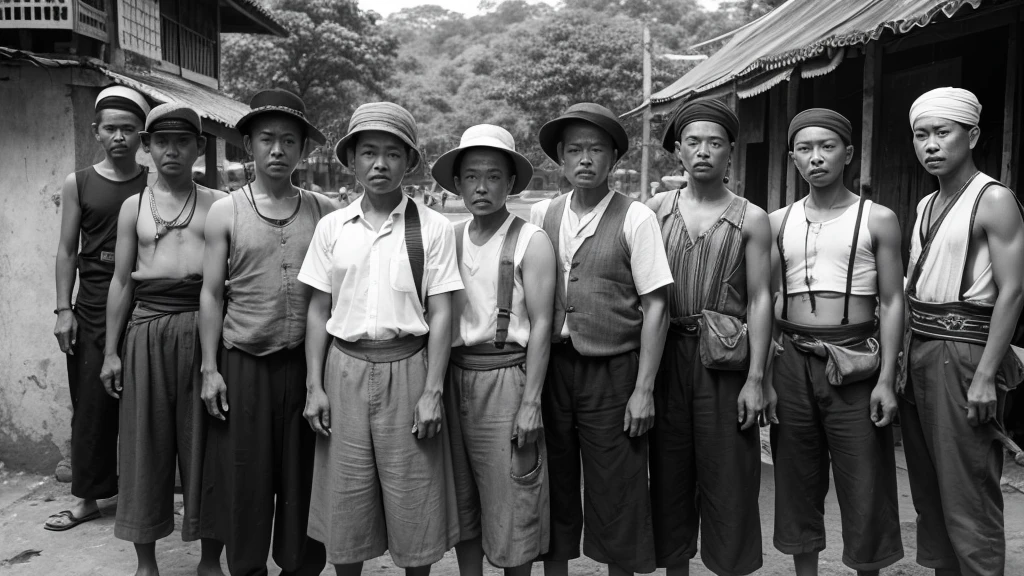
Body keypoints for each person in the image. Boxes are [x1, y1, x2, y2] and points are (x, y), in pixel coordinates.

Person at [299, 102, 463, 575]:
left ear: (409, 163)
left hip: (409, 368)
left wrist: (433, 391)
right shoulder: (333, 227)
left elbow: (442, 311)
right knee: (345, 501)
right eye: (368, 152)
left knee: (416, 498)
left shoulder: (432, 228)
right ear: (351, 161)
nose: (379, 164)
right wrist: (315, 386)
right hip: (344, 367)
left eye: (393, 154)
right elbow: (318, 309)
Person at [529, 103, 673, 576]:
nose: (585, 159)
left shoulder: (636, 218)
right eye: (574, 150)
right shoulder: (541, 214)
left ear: (614, 158)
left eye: (596, 150)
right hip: (554, 367)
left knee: (619, 488)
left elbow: (656, 306)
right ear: (560, 159)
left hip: (613, 370)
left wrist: (643, 390)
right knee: (553, 483)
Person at [198, 88, 334, 576]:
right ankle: (248, 567)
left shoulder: (323, 209)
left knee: (302, 479)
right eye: (267, 140)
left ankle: (301, 568)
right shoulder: (226, 211)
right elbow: (212, 294)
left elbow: (331, 294)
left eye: (289, 141)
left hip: (304, 364)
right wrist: (210, 368)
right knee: (246, 480)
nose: (277, 150)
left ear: (303, 150)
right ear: (248, 146)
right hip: (243, 364)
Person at [768, 108, 905, 576]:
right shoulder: (777, 221)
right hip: (791, 357)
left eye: (827, 147)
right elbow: (768, 297)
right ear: (792, 158)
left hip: (855, 358)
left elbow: (891, 302)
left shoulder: (878, 218)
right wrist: (764, 375)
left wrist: (887, 377)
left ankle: (868, 568)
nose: (816, 158)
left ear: (848, 153)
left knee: (864, 478)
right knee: (795, 476)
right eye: (805, 149)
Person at [645, 98, 772, 576]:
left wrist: (756, 379)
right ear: (678, 151)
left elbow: (762, 300)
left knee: (730, 479)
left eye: (714, 143)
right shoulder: (655, 210)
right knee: (670, 474)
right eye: (693, 142)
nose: (703, 151)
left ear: (730, 152)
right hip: (666, 356)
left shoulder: (751, 217)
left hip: (724, 360)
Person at [96, 103, 224, 575]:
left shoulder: (217, 203)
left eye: (183, 141)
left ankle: (210, 558)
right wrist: (111, 351)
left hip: (201, 327)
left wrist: (215, 358)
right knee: (143, 445)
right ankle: (146, 562)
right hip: (146, 330)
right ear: (146, 148)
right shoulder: (134, 206)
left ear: (198, 147)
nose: (172, 150)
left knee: (207, 444)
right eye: (162, 141)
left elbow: (223, 282)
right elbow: (121, 281)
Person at [900, 87, 1024, 575]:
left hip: (966, 351)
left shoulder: (993, 199)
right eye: (921, 135)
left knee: (967, 491)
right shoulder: (925, 205)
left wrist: (985, 375)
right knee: (930, 495)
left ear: (971, 135)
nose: (931, 145)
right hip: (921, 348)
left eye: (942, 133)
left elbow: (1013, 291)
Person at [431, 124, 556, 576]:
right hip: (454, 375)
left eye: (493, 176)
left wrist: (531, 402)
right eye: (471, 177)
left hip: (506, 377)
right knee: (463, 500)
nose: (481, 187)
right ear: (457, 183)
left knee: (512, 500)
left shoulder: (530, 241)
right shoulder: (448, 237)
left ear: (510, 183)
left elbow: (542, 324)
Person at [47, 85, 150, 532]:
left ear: (142, 136)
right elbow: (67, 251)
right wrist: (62, 309)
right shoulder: (80, 182)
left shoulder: (154, 181)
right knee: (90, 404)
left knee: (146, 400)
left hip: (144, 303)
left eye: (129, 129)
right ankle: (88, 497)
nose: (120, 137)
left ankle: (146, 490)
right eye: (111, 129)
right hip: (90, 303)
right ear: (96, 131)